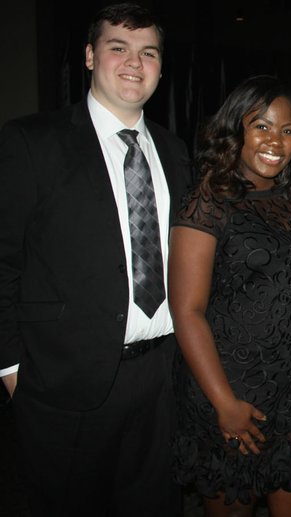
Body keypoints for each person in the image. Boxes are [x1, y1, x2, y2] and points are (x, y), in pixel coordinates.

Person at [0, 3, 192, 516]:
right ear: (89, 56)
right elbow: (4, 263)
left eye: (148, 52)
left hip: (160, 382)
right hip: (64, 383)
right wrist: (12, 368)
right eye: (118, 48)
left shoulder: (176, 154)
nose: (135, 62)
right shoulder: (30, 142)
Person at [168, 75, 291, 516]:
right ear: (236, 129)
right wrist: (224, 404)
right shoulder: (209, 200)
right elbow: (186, 310)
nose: (276, 141)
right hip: (235, 395)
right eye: (261, 126)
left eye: (288, 131)